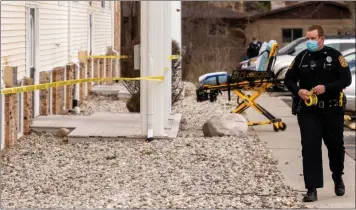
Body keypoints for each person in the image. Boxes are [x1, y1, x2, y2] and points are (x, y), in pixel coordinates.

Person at [284, 25, 352, 202]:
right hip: (308, 111)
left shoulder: (335, 56)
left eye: (313, 39)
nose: (309, 42)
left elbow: (346, 79)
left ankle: (337, 176)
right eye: (307, 39)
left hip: (332, 110)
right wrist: (298, 91)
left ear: (321, 39)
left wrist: (327, 88)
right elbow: (288, 79)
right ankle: (312, 189)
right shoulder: (301, 57)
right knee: (310, 149)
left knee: (336, 148)